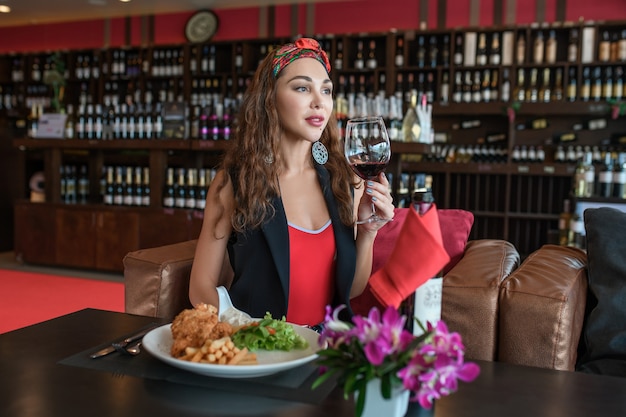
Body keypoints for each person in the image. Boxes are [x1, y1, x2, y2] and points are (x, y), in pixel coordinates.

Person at [188, 38, 395, 326]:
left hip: (324, 350)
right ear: (269, 98)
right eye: (302, 88)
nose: (319, 102)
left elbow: (352, 290)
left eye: (326, 90)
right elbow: (200, 288)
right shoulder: (235, 183)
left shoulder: (344, 181)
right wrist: (251, 333)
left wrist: (369, 232)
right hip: (260, 351)